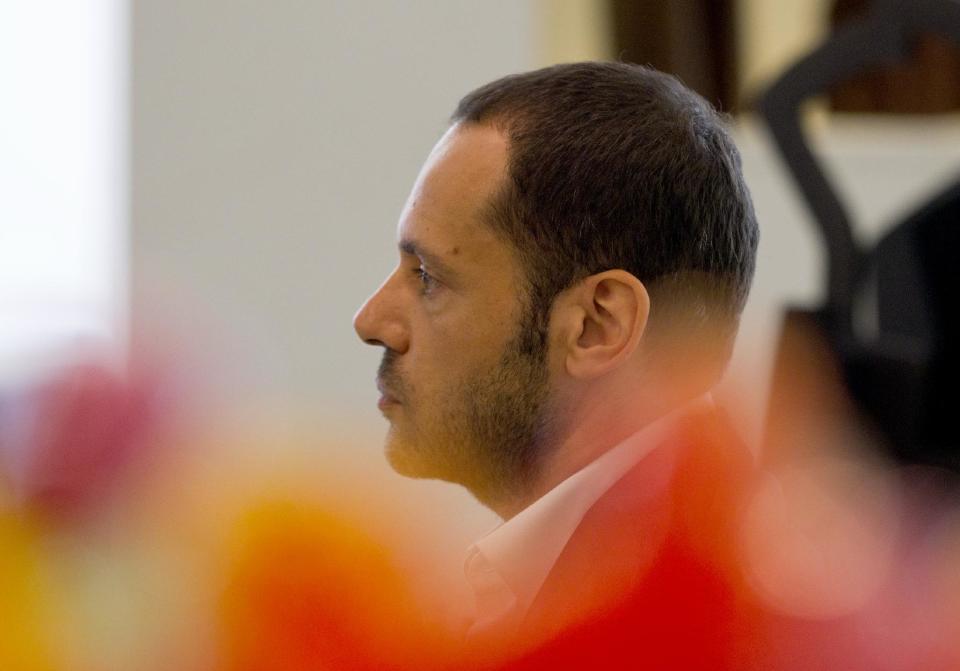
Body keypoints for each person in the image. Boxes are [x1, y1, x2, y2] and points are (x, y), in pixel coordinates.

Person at [353, 61, 759, 661]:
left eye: (429, 277)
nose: (371, 321)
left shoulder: (702, 634)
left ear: (598, 325)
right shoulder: (590, 578)